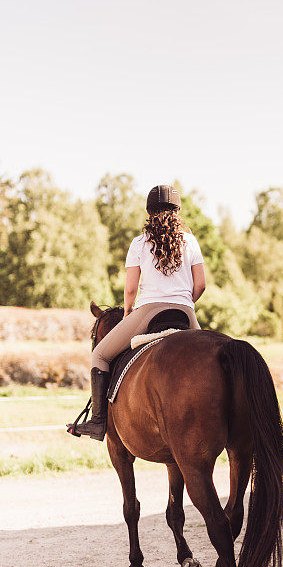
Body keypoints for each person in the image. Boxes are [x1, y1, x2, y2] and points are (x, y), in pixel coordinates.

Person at [79, 184, 206, 440]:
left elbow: (130, 290)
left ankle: (97, 423)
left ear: (149, 212)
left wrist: (128, 314)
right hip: (185, 312)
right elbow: (201, 284)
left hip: (148, 311)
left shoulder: (139, 243)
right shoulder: (190, 241)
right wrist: (185, 303)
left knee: (100, 355)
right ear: (177, 211)